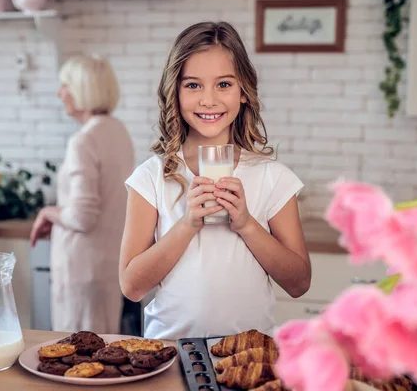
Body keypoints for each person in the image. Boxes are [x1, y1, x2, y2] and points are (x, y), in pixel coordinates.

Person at [119, 21, 312, 340]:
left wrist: (247, 224)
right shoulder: (152, 177)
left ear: (244, 92)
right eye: (193, 85)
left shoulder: (272, 177)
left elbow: (299, 283)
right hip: (170, 353)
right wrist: (187, 224)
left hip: (249, 355)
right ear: (175, 93)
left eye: (223, 84)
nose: (208, 100)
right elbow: (132, 286)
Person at [30, 55, 135, 334]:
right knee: (105, 349)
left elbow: (83, 216)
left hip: (81, 269)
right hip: (109, 263)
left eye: (65, 85)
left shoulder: (83, 140)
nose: (59, 93)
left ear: (81, 89)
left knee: (77, 355)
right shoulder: (118, 131)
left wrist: (47, 212)